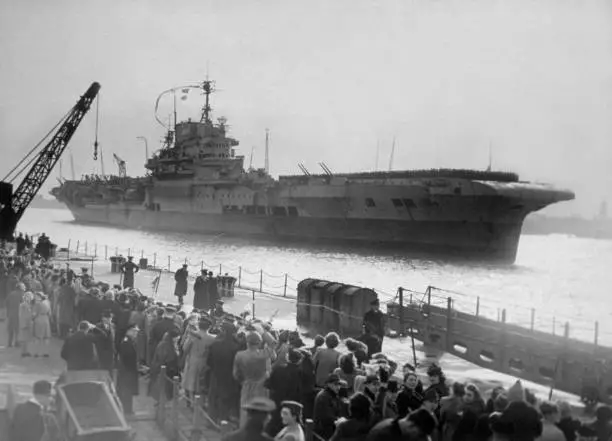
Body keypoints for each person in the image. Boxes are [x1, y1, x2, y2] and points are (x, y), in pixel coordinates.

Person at [117, 323, 140, 416]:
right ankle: (127, 410)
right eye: (134, 331)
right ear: (129, 331)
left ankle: (128, 409)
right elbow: (127, 358)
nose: (136, 333)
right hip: (127, 371)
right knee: (126, 391)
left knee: (128, 392)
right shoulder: (127, 342)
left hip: (128, 371)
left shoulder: (130, 341)